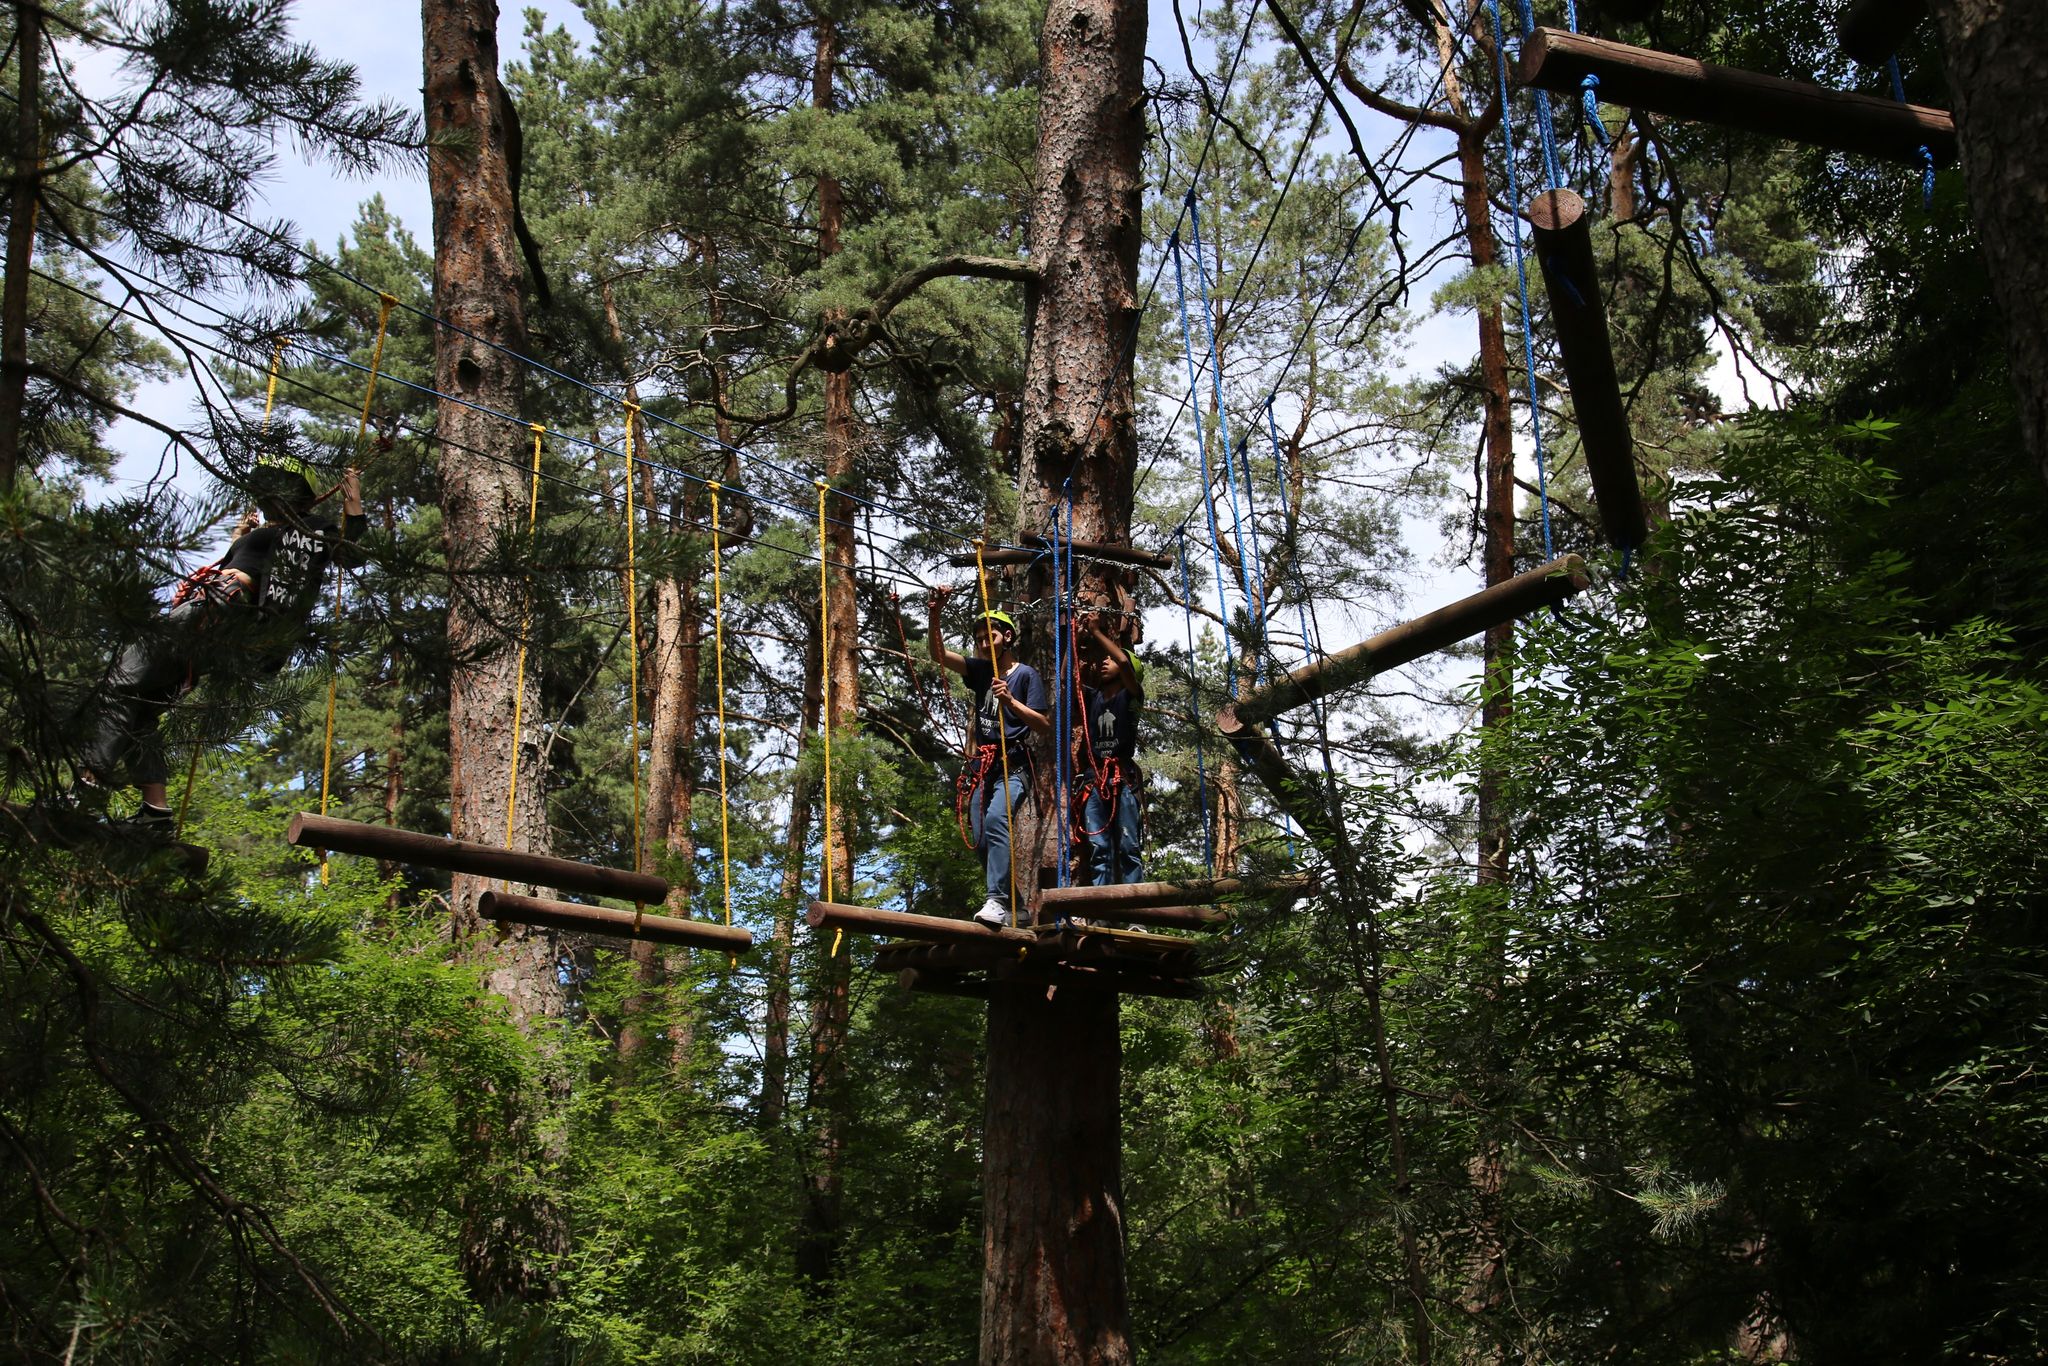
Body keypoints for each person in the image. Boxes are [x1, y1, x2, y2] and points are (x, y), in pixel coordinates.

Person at [79, 453, 368, 826]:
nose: (264, 495)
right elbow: (251, 565)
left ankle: (85, 789)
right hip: (223, 619)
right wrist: (239, 541)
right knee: (141, 707)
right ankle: (155, 812)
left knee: (120, 683)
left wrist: (353, 499)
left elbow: (350, 554)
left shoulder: (311, 528)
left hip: (217, 611)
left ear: (294, 494)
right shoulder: (271, 534)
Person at [927, 586, 1051, 927]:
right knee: (980, 832)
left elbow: (1043, 725)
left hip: (1014, 763)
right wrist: (935, 613)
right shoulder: (981, 670)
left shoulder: (1025, 675)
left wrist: (1011, 701)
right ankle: (1016, 906)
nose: (983, 642)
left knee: (997, 819)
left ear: (1007, 637)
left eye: (990, 636)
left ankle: (996, 899)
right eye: (979, 638)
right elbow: (939, 654)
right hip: (985, 765)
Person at [1077, 615, 1145, 885]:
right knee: (1099, 848)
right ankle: (1101, 905)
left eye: (1112, 659)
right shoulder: (1094, 697)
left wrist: (1096, 631)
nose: (1106, 661)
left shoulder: (1132, 696)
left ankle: (1135, 907)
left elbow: (1125, 662)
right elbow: (1067, 680)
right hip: (1095, 780)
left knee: (1129, 846)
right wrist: (1074, 638)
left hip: (1123, 780)